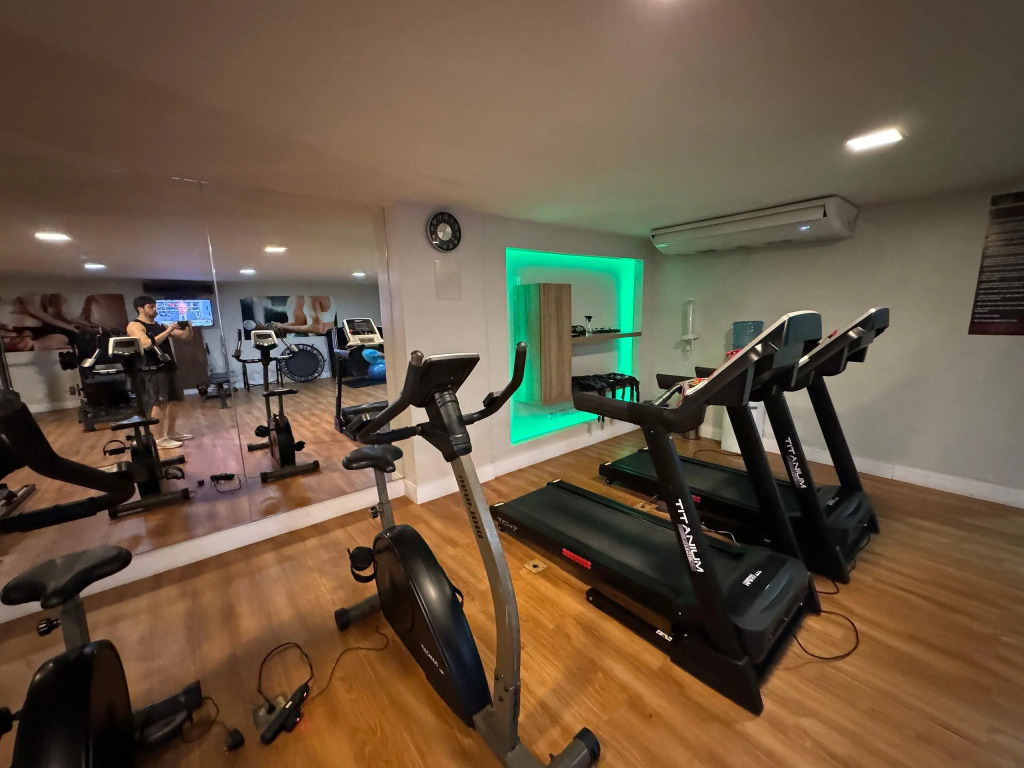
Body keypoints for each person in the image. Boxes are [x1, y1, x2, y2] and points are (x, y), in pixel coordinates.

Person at [126, 296, 193, 449]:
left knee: (176, 400)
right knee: (159, 403)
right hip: (153, 369)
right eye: (150, 307)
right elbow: (146, 344)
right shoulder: (135, 325)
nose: (155, 309)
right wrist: (169, 330)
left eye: (155, 306)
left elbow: (184, 337)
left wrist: (189, 327)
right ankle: (158, 439)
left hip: (169, 366)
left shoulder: (159, 325)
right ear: (140, 309)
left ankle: (171, 433)